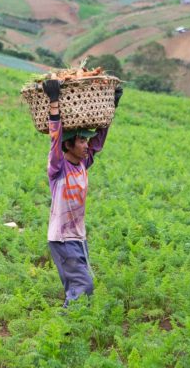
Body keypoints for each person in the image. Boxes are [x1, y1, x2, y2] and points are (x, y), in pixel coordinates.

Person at [42, 79, 123, 307]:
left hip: (78, 237)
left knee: (80, 287)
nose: (86, 144)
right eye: (80, 141)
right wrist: (54, 102)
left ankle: (72, 327)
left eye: (86, 140)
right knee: (83, 286)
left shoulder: (82, 164)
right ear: (68, 146)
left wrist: (111, 106)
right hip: (62, 238)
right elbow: (55, 139)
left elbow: (98, 142)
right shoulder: (58, 168)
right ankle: (68, 327)